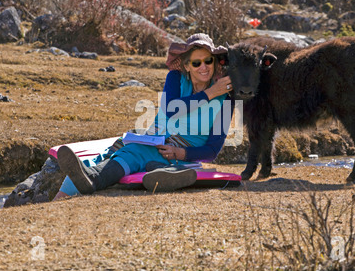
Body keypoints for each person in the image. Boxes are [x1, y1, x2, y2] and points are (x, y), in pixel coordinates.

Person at [53, 33, 234, 200]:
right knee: (112, 152)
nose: (203, 67)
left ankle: (94, 179)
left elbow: (212, 150)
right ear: (187, 66)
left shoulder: (227, 98)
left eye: (208, 61)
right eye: (196, 63)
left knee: (134, 152)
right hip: (156, 138)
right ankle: (59, 200)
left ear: (215, 62)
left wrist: (180, 152)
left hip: (182, 151)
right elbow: (172, 109)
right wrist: (209, 93)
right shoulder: (176, 78)